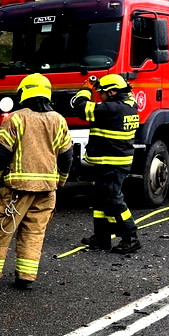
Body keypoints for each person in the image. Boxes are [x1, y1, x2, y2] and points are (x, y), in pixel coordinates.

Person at [0, 74, 73, 289]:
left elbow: (2, 154)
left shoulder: (15, 119)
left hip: (17, 189)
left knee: (0, 229)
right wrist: (60, 181)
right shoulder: (58, 120)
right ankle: (25, 278)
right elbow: (67, 155)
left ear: (24, 94)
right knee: (34, 233)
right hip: (46, 190)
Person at [70, 73, 142, 254]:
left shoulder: (112, 109)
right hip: (111, 160)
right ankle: (102, 238)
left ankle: (131, 238)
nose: (99, 96)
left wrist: (87, 88)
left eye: (101, 93)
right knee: (100, 200)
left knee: (113, 199)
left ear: (112, 92)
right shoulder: (128, 104)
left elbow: (79, 107)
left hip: (112, 162)